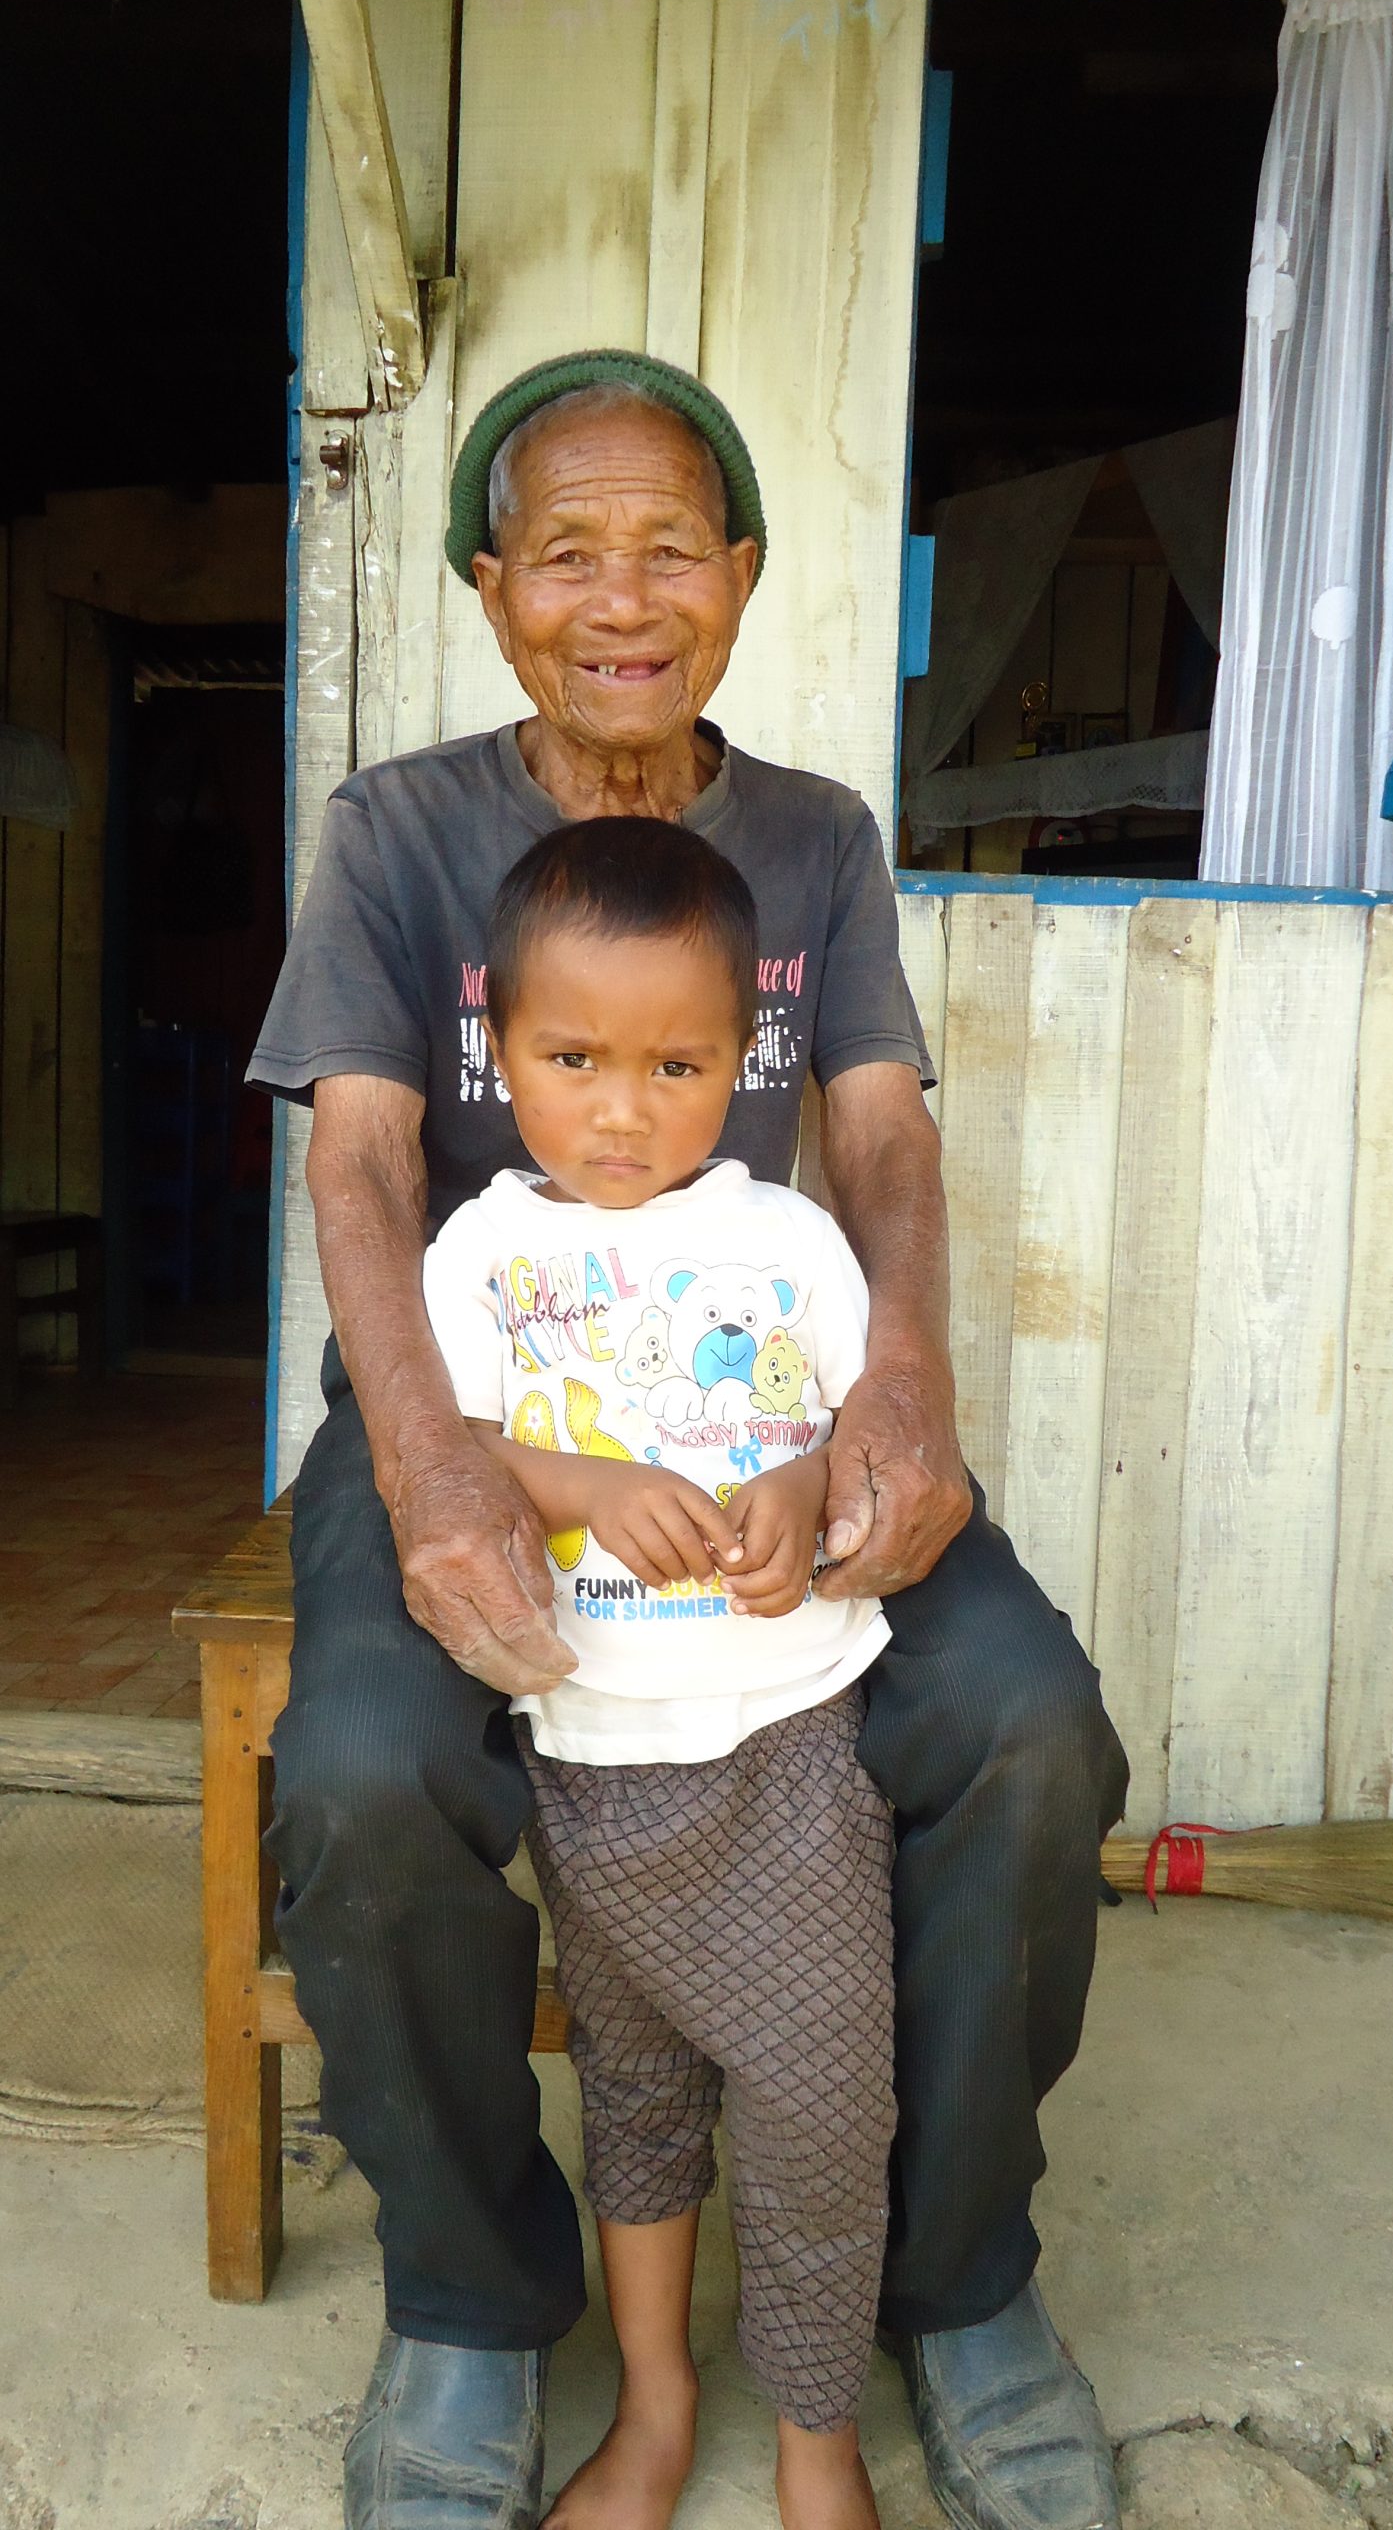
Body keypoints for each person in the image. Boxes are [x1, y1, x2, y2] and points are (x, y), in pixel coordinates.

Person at [248, 347, 1130, 2530]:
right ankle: (469, 2300)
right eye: (566, 551)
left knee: (1028, 1719)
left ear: (741, 575)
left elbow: (880, 1142)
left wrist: (899, 1395)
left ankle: (956, 2277)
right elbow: (357, 1163)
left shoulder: (815, 838)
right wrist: (433, 1456)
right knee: (362, 1769)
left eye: (671, 547)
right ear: (487, 587)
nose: (620, 595)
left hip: (760, 1424)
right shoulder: (400, 831)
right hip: (480, 1423)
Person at [423, 813, 899, 2530]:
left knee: (821, 2099)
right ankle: (653, 2406)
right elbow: (457, 1451)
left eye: (675, 1063)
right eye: (572, 1058)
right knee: (634, 2091)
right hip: (595, 1749)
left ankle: (816, 2436)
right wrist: (577, 1486)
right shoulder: (478, 1257)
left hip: (783, 1739)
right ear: (496, 1053)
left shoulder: (786, 1242)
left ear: (742, 1062)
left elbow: (867, 1422)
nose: (622, 1108)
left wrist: (794, 1487)